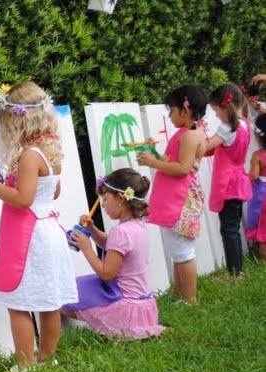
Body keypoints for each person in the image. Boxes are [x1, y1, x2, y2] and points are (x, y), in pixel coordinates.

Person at [0, 81, 77, 372]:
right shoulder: (49, 150)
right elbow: (52, 192)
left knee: (19, 302)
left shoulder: (30, 155)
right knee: (48, 300)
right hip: (49, 229)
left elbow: (23, 199)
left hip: (30, 236)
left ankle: (25, 364)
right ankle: (47, 357)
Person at [62, 169, 165, 339]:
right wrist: (93, 231)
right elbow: (113, 248)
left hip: (124, 307)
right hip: (144, 307)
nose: (102, 204)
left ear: (120, 198)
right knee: (79, 286)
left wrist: (86, 248)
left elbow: (106, 274)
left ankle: (52, 339)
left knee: (64, 296)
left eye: (105, 199)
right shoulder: (137, 225)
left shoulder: (121, 232)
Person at [137, 85, 207, 303]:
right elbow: (175, 161)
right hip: (177, 198)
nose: (169, 115)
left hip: (181, 200)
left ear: (185, 111)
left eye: (172, 111)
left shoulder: (189, 136)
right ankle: (180, 294)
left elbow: (183, 168)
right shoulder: (190, 132)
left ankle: (189, 298)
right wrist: (157, 155)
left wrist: (152, 162)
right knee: (177, 250)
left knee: (183, 251)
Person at [203, 83, 253, 279]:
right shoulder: (244, 124)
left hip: (228, 184)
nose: (216, 116)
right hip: (238, 181)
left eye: (216, 111)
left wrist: (194, 140)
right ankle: (237, 270)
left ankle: (235, 273)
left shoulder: (227, 128)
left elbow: (207, 146)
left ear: (226, 107)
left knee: (228, 230)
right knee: (233, 228)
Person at [246, 113, 266, 260]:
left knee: (262, 226)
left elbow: (253, 176)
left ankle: (263, 259)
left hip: (261, 194)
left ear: (258, 136)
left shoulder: (258, 155)